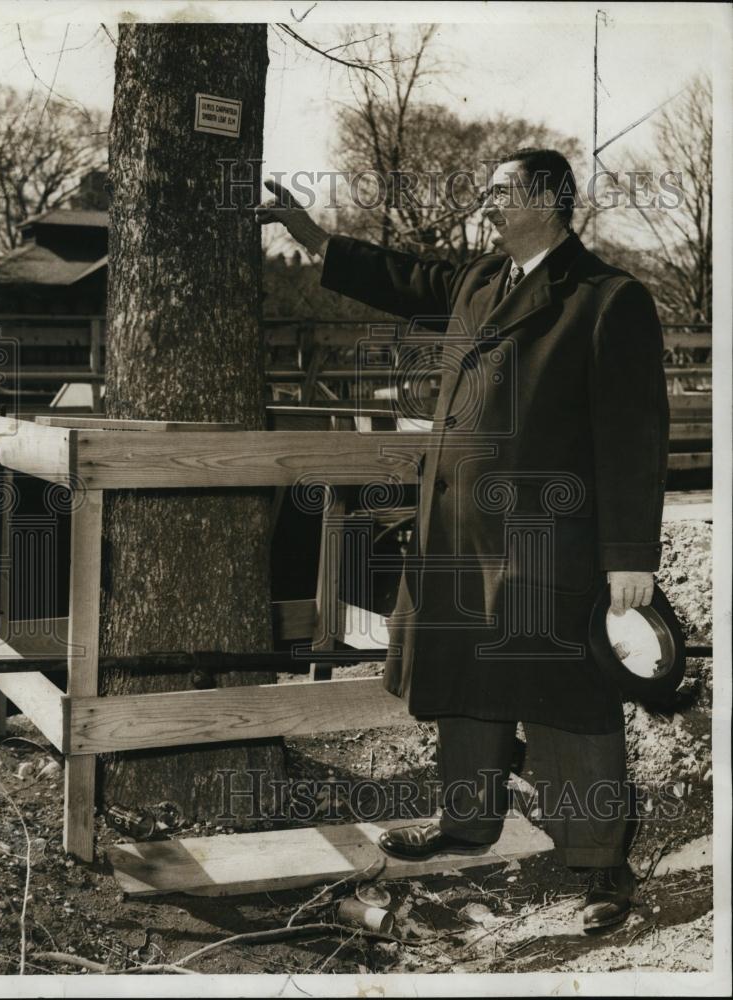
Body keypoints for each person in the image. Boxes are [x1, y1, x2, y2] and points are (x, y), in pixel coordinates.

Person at [256, 148, 669, 930]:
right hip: (458, 533)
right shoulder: (481, 281)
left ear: (547, 199)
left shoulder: (607, 300)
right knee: (466, 687)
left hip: (549, 539)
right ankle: (467, 822)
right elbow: (400, 279)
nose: (484, 203)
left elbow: (633, 436)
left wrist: (628, 559)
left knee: (567, 702)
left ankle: (599, 869)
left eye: (499, 191)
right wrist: (311, 234)